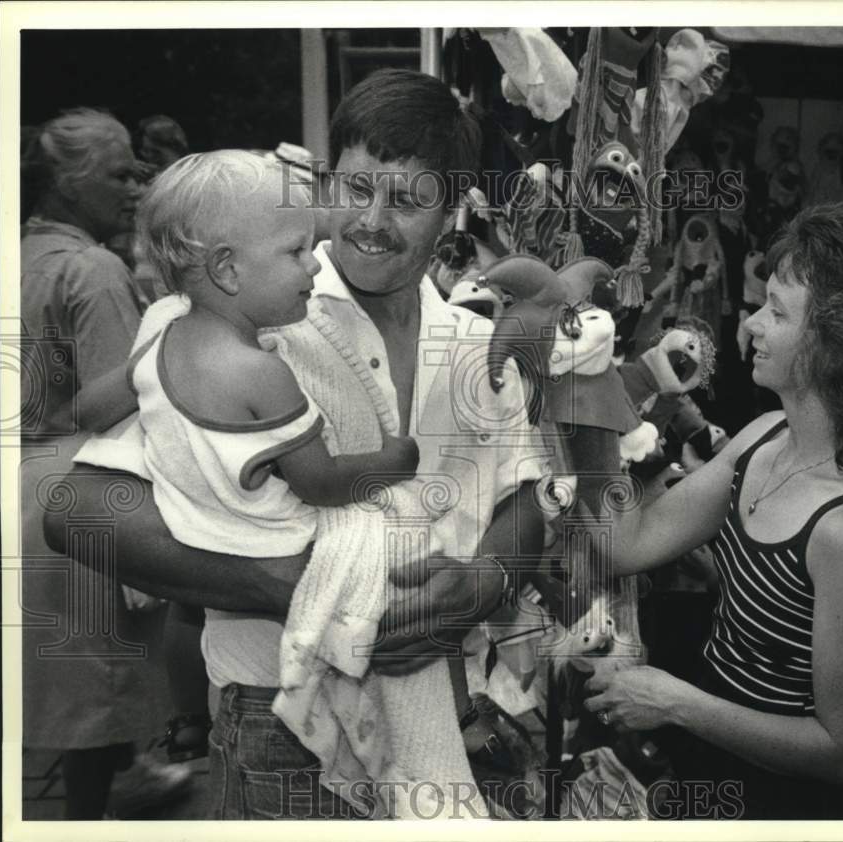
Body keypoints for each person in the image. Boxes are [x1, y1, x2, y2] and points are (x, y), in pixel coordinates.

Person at [44, 71, 546, 819]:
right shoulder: (233, 320)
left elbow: (525, 496)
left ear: (453, 212)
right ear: (324, 180)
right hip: (280, 725)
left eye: (406, 200)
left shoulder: (479, 344)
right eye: (355, 189)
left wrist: (485, 582)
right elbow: (78, 513)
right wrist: (294, 587)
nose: (371, 220)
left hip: (447, 707)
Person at [584, 202, 843, 819]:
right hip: (707, 762)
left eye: (777, 312)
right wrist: (591, 387)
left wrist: (674, 702)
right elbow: (628, 542)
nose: (749, 326)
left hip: (775, 804)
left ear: (842, 342)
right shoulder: (766, 436)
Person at [19, 107, 191, 819]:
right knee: (100, 685)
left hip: (23, 484)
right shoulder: (91, 268)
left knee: (64, 681)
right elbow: (119, 404)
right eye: (119, 174)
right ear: (65, 182)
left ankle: (118, 782)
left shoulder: (22, 255)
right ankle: (92, 817)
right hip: (83, 485)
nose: (134, 187)